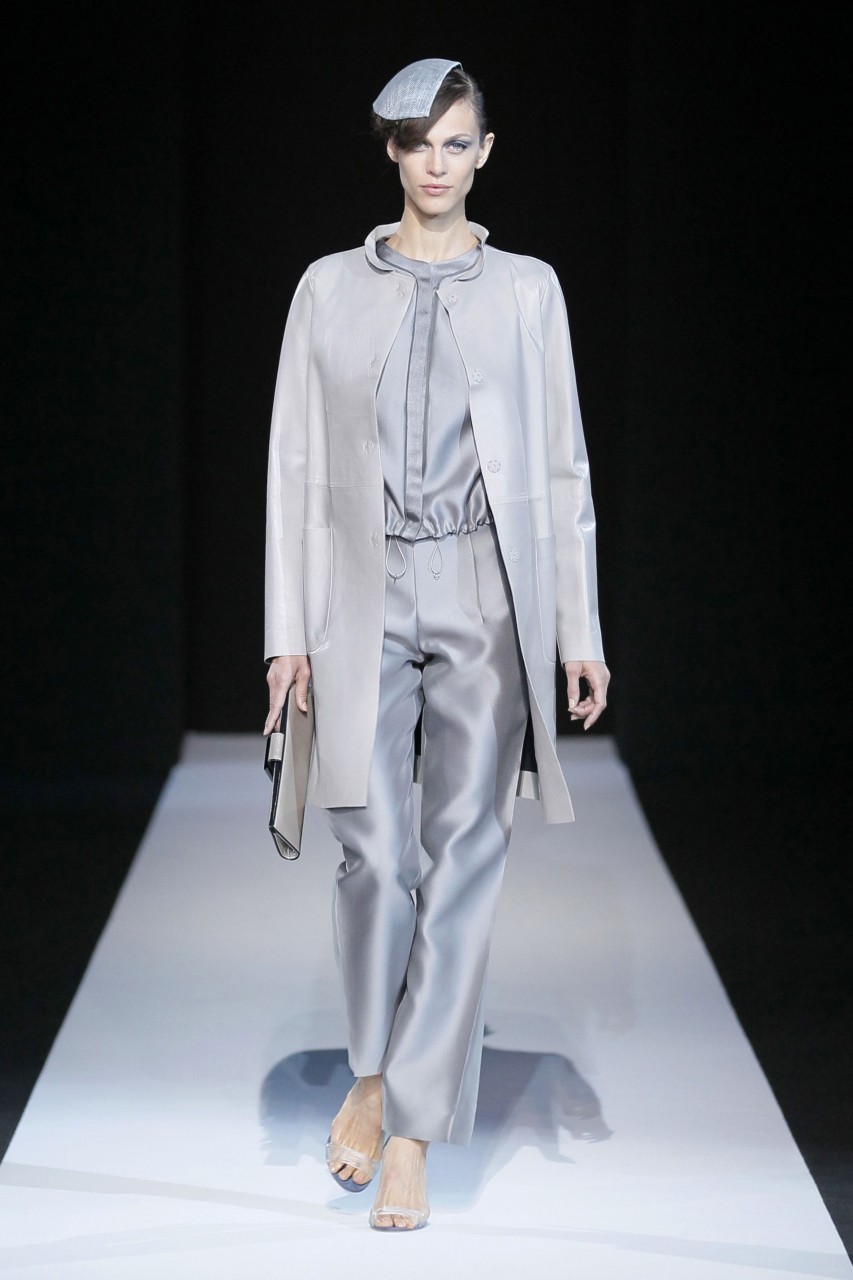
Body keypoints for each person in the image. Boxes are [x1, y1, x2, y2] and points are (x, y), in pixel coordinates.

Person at [262, 57, 609, 1232]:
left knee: (464, 854)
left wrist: (577, 625)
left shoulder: (528, 290)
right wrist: (285, 633)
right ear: (391, 151)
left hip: (481, 586)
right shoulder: (325, 288)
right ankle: (373, 1067)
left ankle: (407, 1127)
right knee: (371, 848)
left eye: (457, 143)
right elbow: (292, 465)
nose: (436, 164)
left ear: (485, 152)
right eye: (417, 143)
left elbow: (560, 463)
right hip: (360, 587)